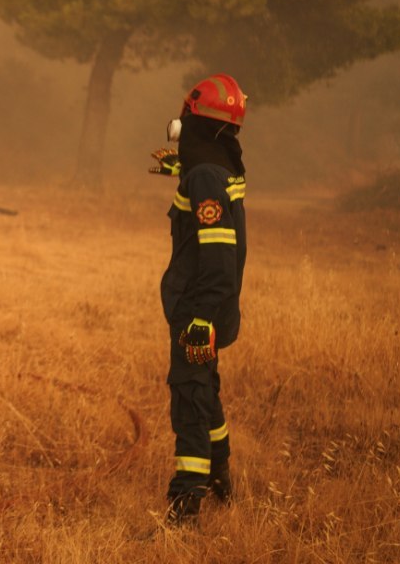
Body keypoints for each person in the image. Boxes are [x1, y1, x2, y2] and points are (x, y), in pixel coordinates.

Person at [151, 73, 247, 527]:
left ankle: (185, 502)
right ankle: (221, 475)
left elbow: (218, 259)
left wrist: (200, 320)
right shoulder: (215, 167)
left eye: (186, 118)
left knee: (190, 393)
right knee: (205, 387)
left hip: (198, 310)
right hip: (208, 308)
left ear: (197, 121)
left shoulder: (207, 176)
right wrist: (183, 171)